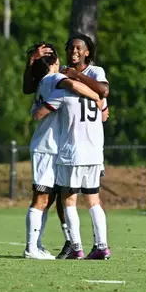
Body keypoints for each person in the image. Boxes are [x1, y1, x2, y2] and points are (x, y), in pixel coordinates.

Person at [24, 43, 102, 260]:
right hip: (46, 147)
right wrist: (97, 98)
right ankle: (31, 247)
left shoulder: (42, 83)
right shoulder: (54, 79)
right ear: (54, 64)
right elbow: (74, 86)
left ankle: (43, 244)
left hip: (55, 148)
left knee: (51, 199)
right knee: (41, 198)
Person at [56, 33, 111, 260]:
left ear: (88, 52)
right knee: (91, 199)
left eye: (79, 48)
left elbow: (104, 94)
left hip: (77, 149)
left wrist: (74, 76)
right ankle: (101, 247)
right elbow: (103, 105)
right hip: (89, 149)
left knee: (71, 198)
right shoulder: (64, 76)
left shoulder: (95, 72)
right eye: (70, 48)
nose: (74, 51)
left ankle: (79, 247)